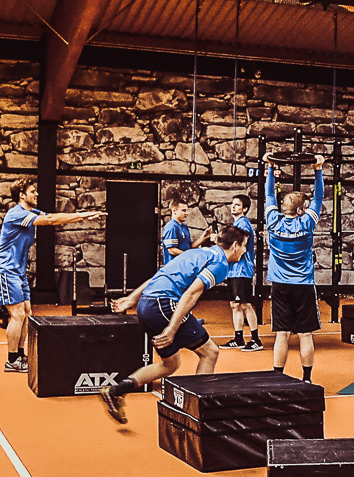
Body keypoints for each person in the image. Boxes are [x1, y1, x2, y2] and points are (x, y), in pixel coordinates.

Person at [98, 226, 249, 424]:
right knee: (210, 352)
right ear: (235, 245)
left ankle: (116, 390)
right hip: (164, 304)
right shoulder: (220, 263)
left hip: (148, 304)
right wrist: (172, 328)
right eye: (245, 246)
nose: (246, 251)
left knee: (171, 364)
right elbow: (192, 293)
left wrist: (132, 299)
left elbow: (160, 274)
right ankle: (196, 413)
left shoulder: (197, 252)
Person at [0, 178, 106, 373]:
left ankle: (20, 355)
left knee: (26, 312)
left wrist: (82, 216)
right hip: (5, 271)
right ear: (21, 195)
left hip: (18, 272)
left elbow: (53, 216)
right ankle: (11, 360)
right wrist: (84, 215)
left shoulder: (31, 212)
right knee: (17, 314)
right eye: (32, 191)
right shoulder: (15, 214)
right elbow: (51, 221)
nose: (36, 194)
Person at [265, 155, 324, 383]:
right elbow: (319, 196)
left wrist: (270, 168)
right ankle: (306, 378)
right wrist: (317, 170)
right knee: (305, 334)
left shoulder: (273, 220)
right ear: (300, 210)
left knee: (282, 333)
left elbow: (269, 194)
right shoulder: (307, 223)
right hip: (303, 285)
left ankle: (277, 377)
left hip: (280, 286)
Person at [221, 194, 263, 352]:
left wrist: (219, 241)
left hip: (242, 270)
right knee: (234, 305)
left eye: (237, 205)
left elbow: (239, 244)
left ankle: (256, 339)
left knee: (245, 304)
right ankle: (238, 338)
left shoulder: (243, 224)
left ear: (244, 209)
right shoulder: (236, 223)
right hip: (232, 271)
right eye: (233, 204)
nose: (233, 207)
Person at [160, 201, 208, 265]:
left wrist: (203, 238)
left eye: (187, 210)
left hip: (184, 266)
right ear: (174, 211)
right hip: (174, 267)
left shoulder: (184, 227)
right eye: (184, 210)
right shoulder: (171, 227)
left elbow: (189, 246)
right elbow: (172, 250)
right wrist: (189, 256)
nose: (187, 213)